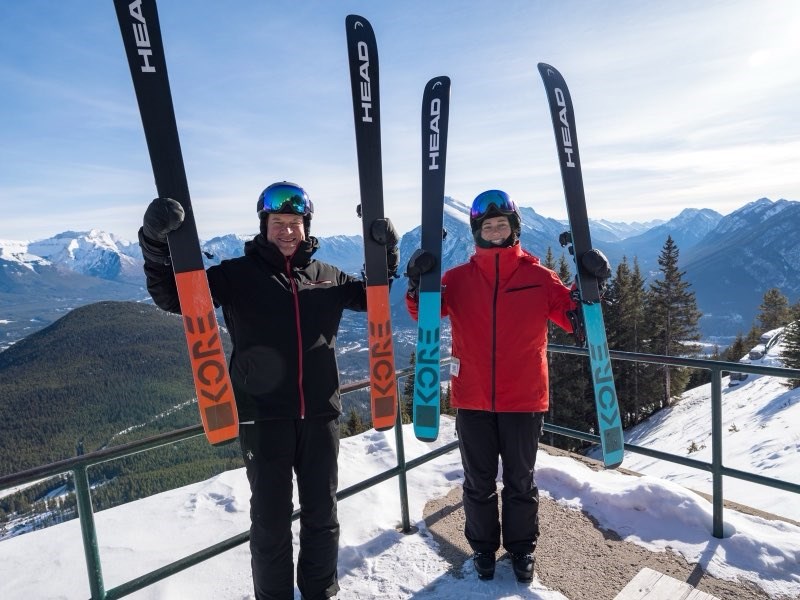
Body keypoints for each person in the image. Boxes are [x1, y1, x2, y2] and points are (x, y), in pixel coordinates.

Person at [138, 181, 399, 600]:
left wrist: (386, 254)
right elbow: (174, 297)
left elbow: (373, 296)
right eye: (278, 222)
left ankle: (319, 590)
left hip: (320, 415)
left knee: (322, 513)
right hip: (263, 418)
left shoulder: (327, 275)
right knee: (271, 521)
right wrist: (154, 243)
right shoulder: (236, 276)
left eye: (295, 222)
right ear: (264, 226)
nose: (287, 230)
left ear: (306, 225)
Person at [404, 189, 609, 583]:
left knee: (520, 481)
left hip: (525, 398)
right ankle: (482, 549)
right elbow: (424, 312)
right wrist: (417, 283)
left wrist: (594, 283)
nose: (495, 231)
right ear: (477, 232)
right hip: (473, 398)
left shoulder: (538, 277)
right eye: (488, 226)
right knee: (478, 482)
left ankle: (521, 549)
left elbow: (576, 320)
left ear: (514, 229)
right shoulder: (458, 279)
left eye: (502, 225)